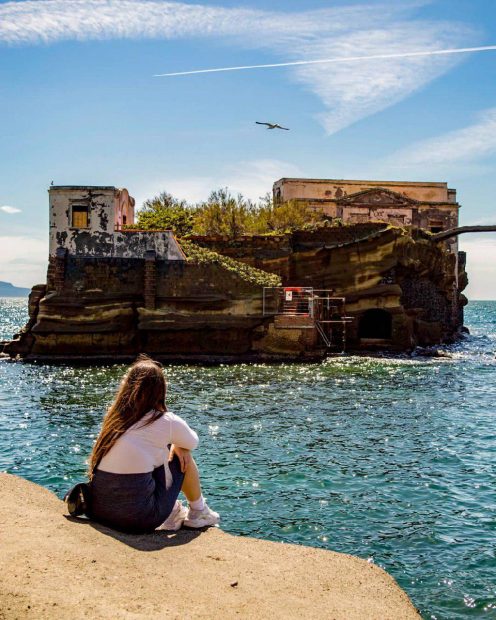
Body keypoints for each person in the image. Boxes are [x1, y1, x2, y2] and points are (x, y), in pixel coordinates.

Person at [87, 355, 219, 533]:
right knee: (183, 453)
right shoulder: (164, 420)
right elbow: (192, 442)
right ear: (160, 390)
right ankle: (199, 512)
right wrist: (177, 445)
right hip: (139, 519)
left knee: (156, 451)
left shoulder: (114, 419)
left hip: (99, 511)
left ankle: (173, 512)